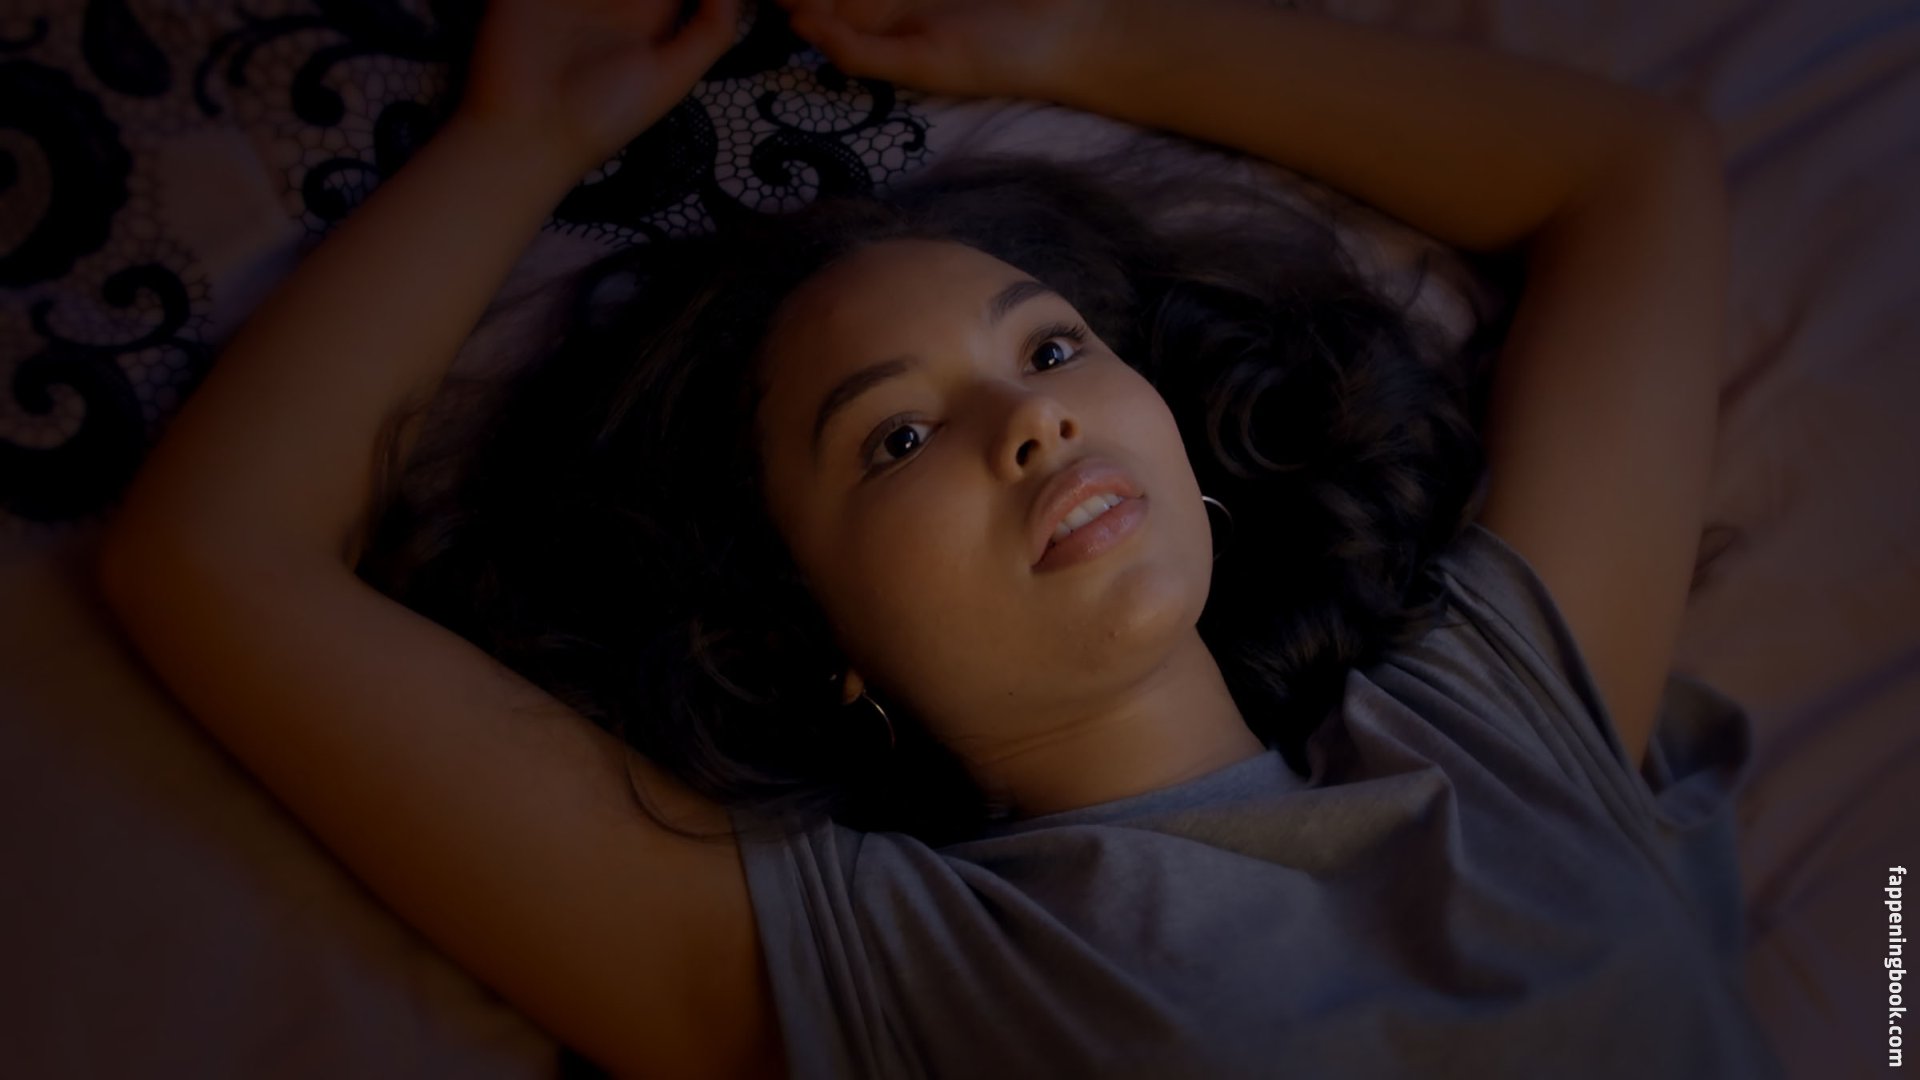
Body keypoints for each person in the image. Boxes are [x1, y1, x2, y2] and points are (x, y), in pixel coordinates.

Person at [93, 0, 1781, 1076]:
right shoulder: (887, 969)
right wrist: (516, 140)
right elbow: (215, 562)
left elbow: (1631, 170)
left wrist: (1083, 36)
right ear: (806, 635)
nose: (1032, 424)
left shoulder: (1500, 726)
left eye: (1049, 349)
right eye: (895, 439)